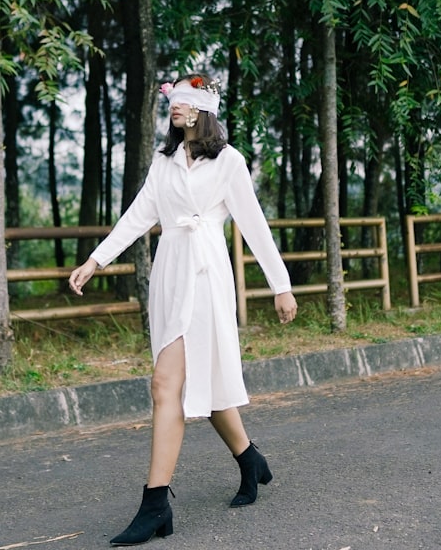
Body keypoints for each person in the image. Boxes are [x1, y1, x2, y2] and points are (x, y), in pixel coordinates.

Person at [68, 73, 298, 546]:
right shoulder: (164, 160)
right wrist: (95, 260)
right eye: (172, 103)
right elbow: (138, 215)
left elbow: (254, 225)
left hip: (207, 275)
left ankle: (155, 504)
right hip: (170, 275)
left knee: (166, 384)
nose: (174, 108)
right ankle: (250, 459)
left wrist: (281, 285)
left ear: (202, 110)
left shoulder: (230, 162)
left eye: (184, 102)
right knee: (201, 386)